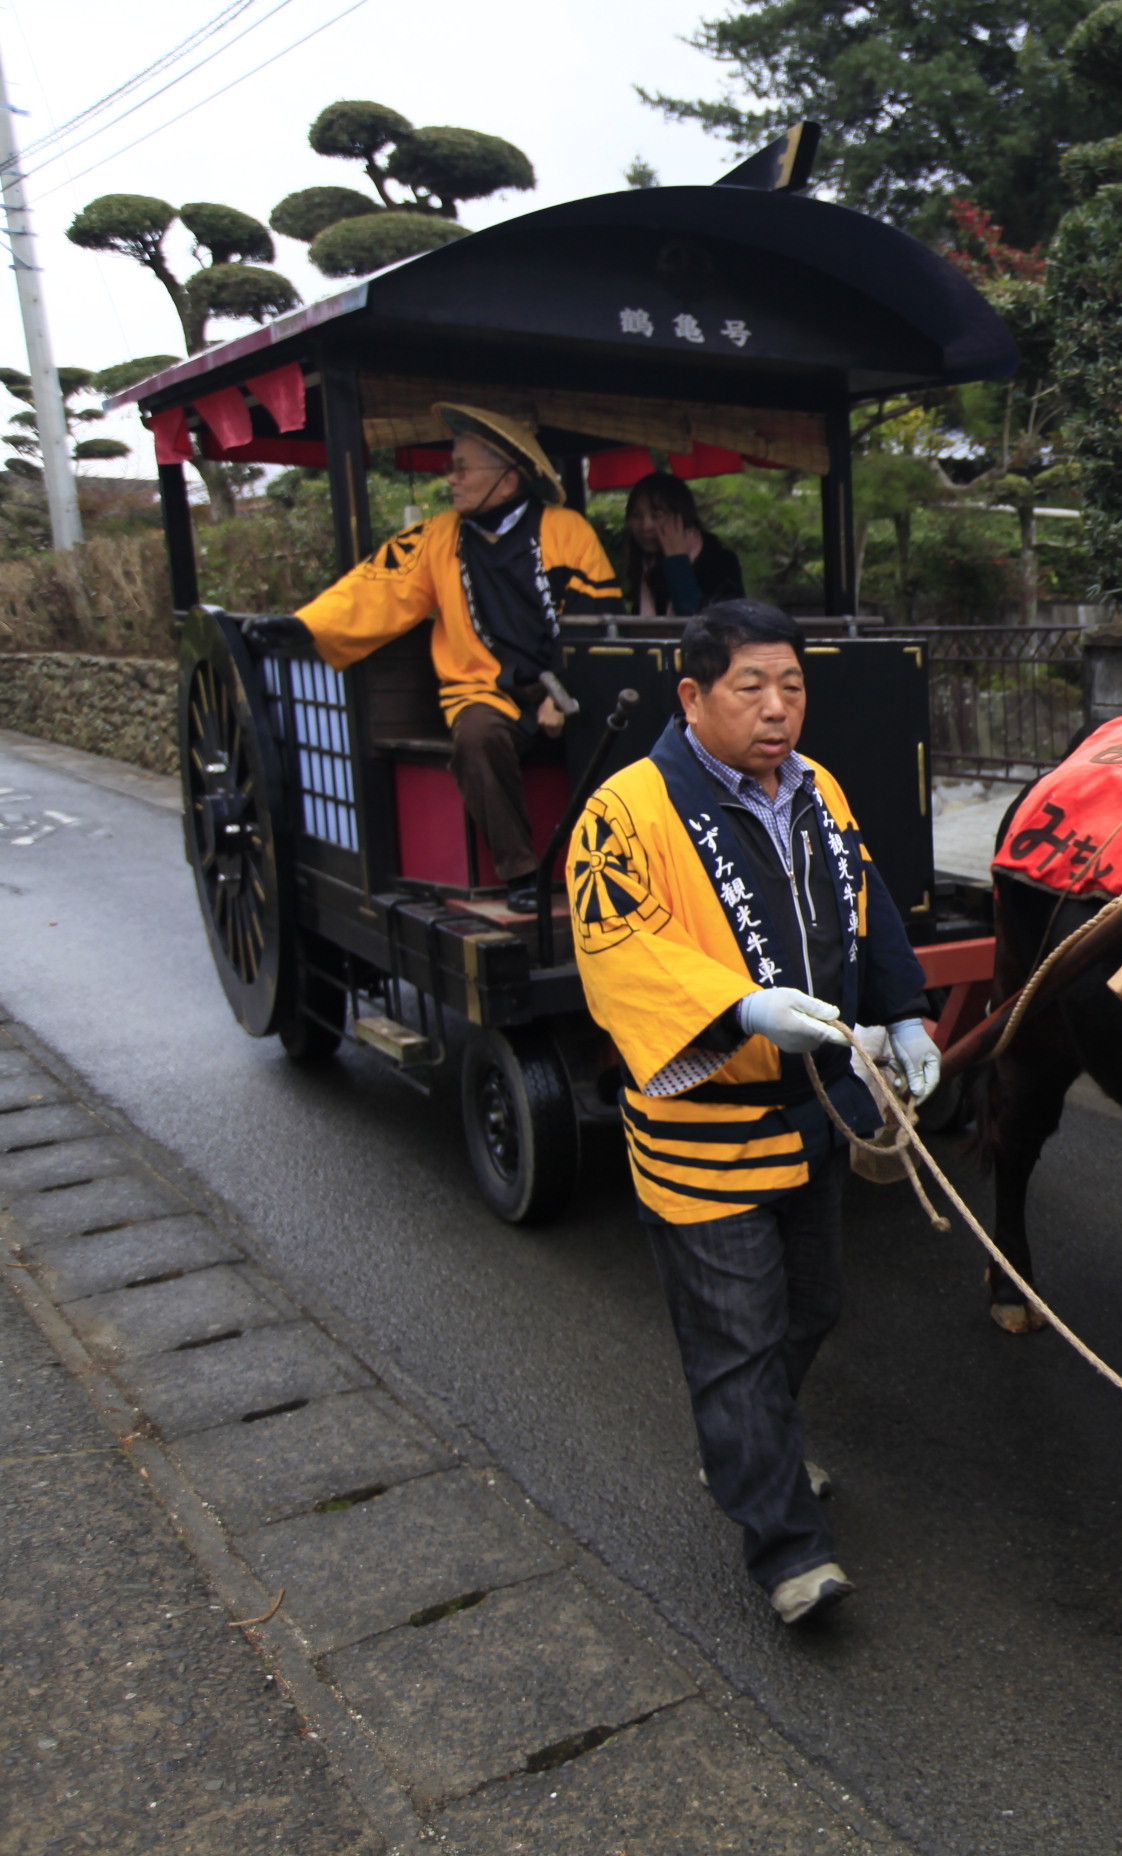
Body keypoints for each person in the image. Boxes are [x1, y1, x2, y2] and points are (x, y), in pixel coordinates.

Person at [564, 599, 941, 1627]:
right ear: (692, 696)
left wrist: (906, 1013)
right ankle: (789, 1550)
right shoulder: (625, 811)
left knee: (812, 1307)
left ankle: (746, 1445)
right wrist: (739, 1007)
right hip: (706, 1125)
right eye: (751, 688)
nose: (778, 708)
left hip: (813, 1105)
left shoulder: (818, 787)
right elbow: (621, 950)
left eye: (792, 686)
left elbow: (865, 905)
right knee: (736, 1338)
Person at [251, 404, 623, 914]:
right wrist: (305, 626)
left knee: (619, 729)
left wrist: (563, 689)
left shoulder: (566, 530)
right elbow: (376, 589)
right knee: (477, 736)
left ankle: (620, 865)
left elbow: (596, 617)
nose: (450, 478)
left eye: (462, 468)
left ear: (508, 479)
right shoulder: (437, 537)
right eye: (451, 467)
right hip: (482, 688)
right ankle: (522, 874)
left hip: (569, 683)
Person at [621, 470, 747, 618]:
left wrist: (678, 562)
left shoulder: (720, 562)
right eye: (636, 516)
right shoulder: (647, 566)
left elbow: (703, 622)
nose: (645, 526)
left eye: (656, 516)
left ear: (682, 518)